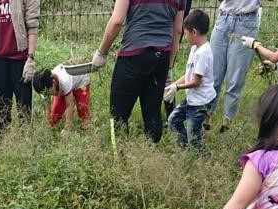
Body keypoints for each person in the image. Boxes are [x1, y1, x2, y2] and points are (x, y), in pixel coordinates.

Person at [90, 0, 186, 143]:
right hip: (161, 57)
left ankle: (120, 159)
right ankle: (152, 156)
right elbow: (178, 30)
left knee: (118, 115)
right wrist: (169, 67)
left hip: (133, 56)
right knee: (153, 113)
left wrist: (102, 52)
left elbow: (117, 21)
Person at [0, 0, 40, 132]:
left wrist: (30, 59)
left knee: (24, 107)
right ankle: (2, 143)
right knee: (1, 108)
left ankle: (26, 141)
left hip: (21, 59)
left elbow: (32, 25)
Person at [207, 0, 262, 132]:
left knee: (235, 79)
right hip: (224, 18)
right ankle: (205, 117)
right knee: (213, 75)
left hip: (247, 21)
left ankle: (226, 123)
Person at [164, 9, 215, 149]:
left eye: (185, 33)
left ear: (194, 32)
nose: (184, 36)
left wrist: (178, 88)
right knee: (173, 121)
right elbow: (189, 76)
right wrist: (173, 84)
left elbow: (196, 82)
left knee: (194, 137)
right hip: (192, 99)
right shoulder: (195, 49)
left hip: (200, 102)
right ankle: (185, 147)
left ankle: (199, 156)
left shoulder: (203, 54)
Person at [31, 63, 91, 130]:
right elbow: (47, 108)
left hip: (81, 82)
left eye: (48, 92)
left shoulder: (64, 81)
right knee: (54, 118)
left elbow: (69, 105)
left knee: (82, 110)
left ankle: (88, 129)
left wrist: (67, 128)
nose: (46, 95)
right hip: (63, 89)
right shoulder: (43, 87)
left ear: (54, 83)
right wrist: (47, 125)